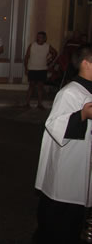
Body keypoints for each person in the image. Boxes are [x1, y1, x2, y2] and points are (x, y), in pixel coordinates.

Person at [34, 45, 92, 244]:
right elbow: (54, 125)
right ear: (86, 63)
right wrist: (82, 115)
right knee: (56, 228)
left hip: (83, 171)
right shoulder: (70, 93)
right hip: (65, 176)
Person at [24, 32, 57, 109]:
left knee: (40, 86)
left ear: (45, 38)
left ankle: (39, 103)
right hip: (32, 68)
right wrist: (26, 68)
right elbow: (26, 57)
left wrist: (50, 61)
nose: (39, 38)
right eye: (38, 37)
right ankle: (27, 103)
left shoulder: (47, 46)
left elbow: (55, 53)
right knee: (31, 85)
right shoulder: (32, 45)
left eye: (41, 37)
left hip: (42, 69)